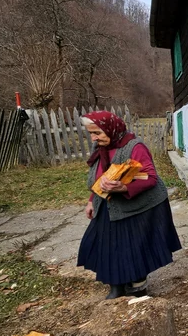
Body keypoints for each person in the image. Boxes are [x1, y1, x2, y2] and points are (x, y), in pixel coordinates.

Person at [77, 111, 182, 299]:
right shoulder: (100, 147)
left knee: (134, 248)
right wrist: (91, 201)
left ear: (111, 129)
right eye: (91, 133)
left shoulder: (135, 147)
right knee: (107, 245)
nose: (93, 138)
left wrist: (123, 187)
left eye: (97, 133)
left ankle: (138, 289)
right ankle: (116, 286)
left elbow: (150, 178)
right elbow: (98, 176)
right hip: (108, 204)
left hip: (139, 206)